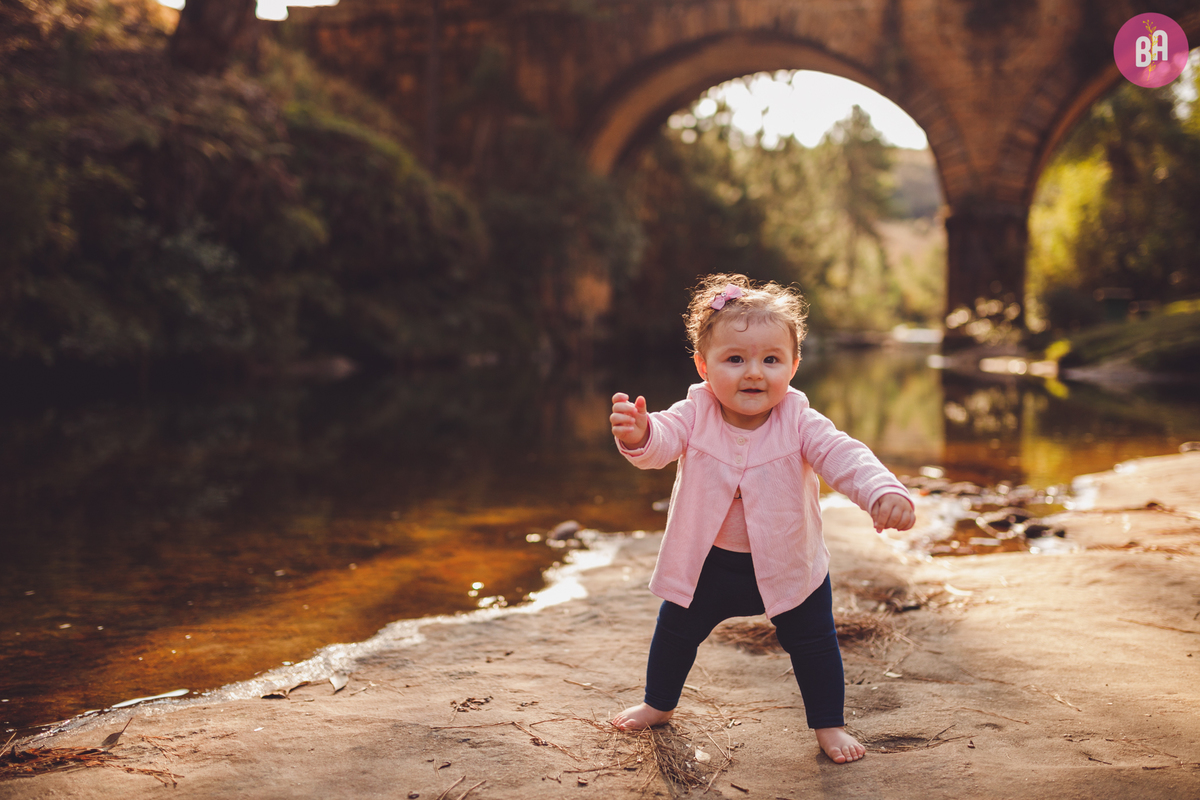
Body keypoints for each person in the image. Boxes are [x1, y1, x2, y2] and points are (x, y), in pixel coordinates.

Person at [609, 273, 915, 764]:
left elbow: (845, 456)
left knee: (815, 644)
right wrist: (639, 432)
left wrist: (881, 491)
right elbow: (660, 442)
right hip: (710, 563)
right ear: (703, 366)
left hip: (790, 562)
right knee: (675, 633)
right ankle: (658, 703)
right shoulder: (695, 411)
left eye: (771, 360)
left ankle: (829, 725)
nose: (754, 373)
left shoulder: (799, 421)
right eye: (735, 359)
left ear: (793, 366)